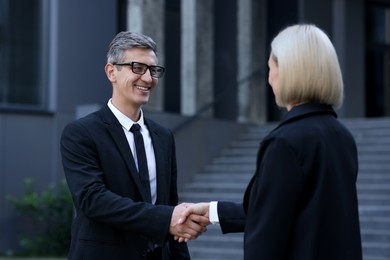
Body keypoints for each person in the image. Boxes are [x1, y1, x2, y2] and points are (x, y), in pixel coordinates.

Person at [178, 24, 363, 260]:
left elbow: (265, 239)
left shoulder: (285, 142)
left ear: (288, 71)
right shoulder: (341, 137)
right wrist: (213, 211)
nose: (269, 78)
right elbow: (292, 211)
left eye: (270, 67)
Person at [60, 31, 207, 260]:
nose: (148, 79)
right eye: (137, 67)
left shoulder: (164, 137)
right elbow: (93, 200)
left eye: (153, 70)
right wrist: (165, 218)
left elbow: (170, 205)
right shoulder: (81, 133)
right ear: (112, 72)